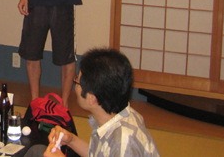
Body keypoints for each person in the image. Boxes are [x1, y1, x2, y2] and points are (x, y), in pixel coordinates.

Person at [25, 48, 161, 157]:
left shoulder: (124, 143)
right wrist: (71, 140)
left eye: (77, 80)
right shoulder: (117, 116)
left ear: (92, 98)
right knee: (38, 151)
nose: (75, 85)